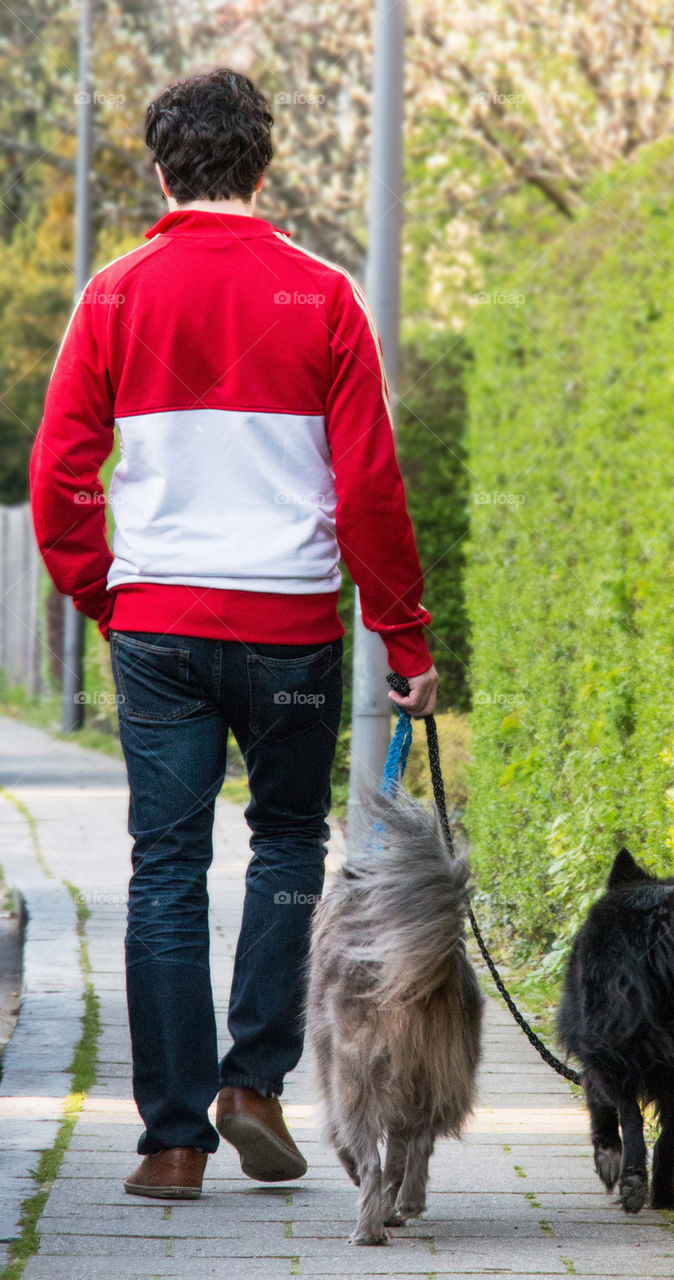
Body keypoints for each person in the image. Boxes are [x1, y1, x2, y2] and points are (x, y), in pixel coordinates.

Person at [30, 67, 438, 1200]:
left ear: (161, 172)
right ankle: (253, 1083)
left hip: (158, 624)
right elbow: (369, 487)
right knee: (288, 842)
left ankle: (171, 1143)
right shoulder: (324, 294)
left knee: (164, 866)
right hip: (290, 631)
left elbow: (60, 473)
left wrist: (104, 594)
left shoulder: (114, 294)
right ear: (263, 167)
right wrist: (405, 640)